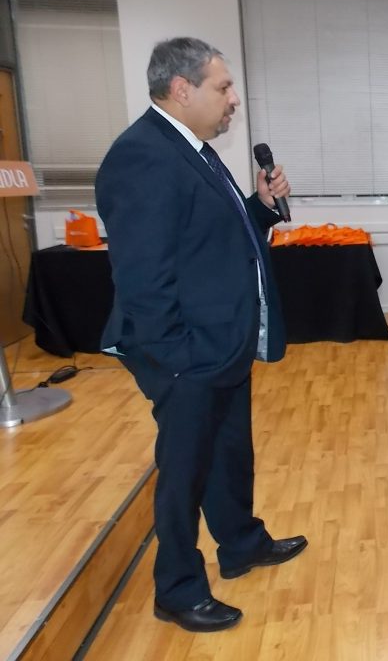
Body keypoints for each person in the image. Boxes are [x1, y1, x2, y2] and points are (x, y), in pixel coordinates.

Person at [95, 38, 306, 632]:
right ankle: (177, 588)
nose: (233, 99)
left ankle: (241, 544)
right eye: (223, 87)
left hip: (221, 345)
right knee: (184, 470)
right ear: (181, 89)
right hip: (186, 353)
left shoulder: (194, 149)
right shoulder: (141, 156)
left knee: (229, 454)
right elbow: (142, 274)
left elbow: (212, 238)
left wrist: (260, 208)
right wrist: (178, 358)